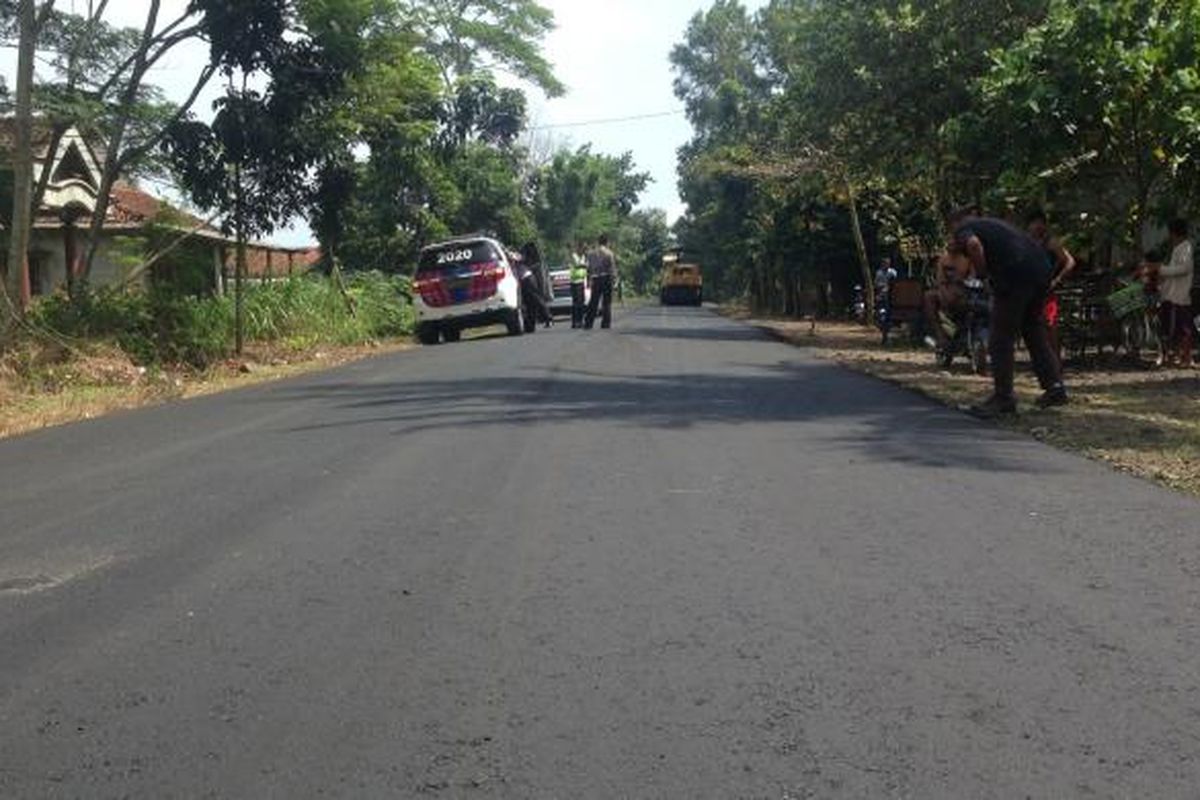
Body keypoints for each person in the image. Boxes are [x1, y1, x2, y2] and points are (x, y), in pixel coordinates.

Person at [950, 210, 1067, 417]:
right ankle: (1054, 386)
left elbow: (974, 246)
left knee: (1001, 336)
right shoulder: (995, 223)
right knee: (1033, 330)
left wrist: (983, 275)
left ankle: (1003, 397)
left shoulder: (963, 229)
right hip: (1040, 269)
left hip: (1015, 274)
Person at [1141, 218, 1194, 367]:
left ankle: (1187, 358)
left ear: (1175, 233)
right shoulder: (1178, 248)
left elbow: (1184, 269)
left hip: (1180, 295)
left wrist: (1161, 269)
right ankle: (1176, 356)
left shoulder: (1185, 247)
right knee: (1174, 329)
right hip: (1172, 294)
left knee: (1184, 329)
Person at [1026, 210, 1076, 359]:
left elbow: (1070, 262)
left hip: (1046, 291)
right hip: (1029, 291)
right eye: (1034, 224)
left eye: (1040, 223)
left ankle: (1055, 362)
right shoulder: (1026, 242)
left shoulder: (1051, 242)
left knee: (1050, 325)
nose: (1037, 227)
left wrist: (1057, 279)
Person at [922, 251, 973, 353]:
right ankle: (940, 335)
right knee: (929, 297)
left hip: (969, 294)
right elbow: (940, 282)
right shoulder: (944, 262)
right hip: (949, 295)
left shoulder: (973, 258)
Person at [516, 242, 553, 328]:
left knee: (537, 299)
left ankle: (548, 317)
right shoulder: (525, 258)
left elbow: (518, 258)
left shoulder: (522, 257)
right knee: (531, 302)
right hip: (526, 279)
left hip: (527, 279)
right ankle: (531, 323)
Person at [584, 234, 616, 329]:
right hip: (606, 277)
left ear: (598, 241)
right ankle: (606, 323)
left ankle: (588, 323)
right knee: (606, 302)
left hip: (595, 278)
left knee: (593, 301)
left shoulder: (591, 253)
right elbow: (612, 268)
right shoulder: (609, 253)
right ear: (607, 242)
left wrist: (589, 279)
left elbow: (588, 268)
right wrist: (614, 280)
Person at [569, 240, 589, 328]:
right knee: (576, 303)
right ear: (579, 248)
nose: (584, 251)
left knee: (581, 303)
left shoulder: (583, 256)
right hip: (575, 282)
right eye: (583, 249)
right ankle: (575, 322)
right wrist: (585, 265)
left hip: (581, 281)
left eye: (585, 249)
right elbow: (578, 265)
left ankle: (580, 321)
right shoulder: (574, 256)